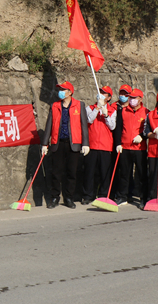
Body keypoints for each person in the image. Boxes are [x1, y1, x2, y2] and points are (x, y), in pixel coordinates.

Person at [40, 81, 90, 209]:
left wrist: (85, 143)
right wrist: (45, 143)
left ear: (70, 92)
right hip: (58, 142)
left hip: (73, 143)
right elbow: (49, 125)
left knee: (71, 172)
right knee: (56, 172)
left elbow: (84, 125)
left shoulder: (79, 105)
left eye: (63, 90)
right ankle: (55, 197)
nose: (60, 92)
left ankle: (69, 198)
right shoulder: (55, 106)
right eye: (60, 90)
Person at [114, 88, 149, 209]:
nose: (131, 100)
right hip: (125, 147)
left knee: (142, 174)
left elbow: (148, 129)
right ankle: (123, 196)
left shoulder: (146, 112)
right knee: (124, 173)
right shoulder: (122, 111)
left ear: (140, 99)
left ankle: (144, 198)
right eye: (130, 97)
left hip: (139, 148)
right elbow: (118, 128)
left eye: (134, 98)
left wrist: (142, 136)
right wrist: (118, 143)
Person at [82, 86, 117, 205]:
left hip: (105, 146)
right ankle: (88, 195)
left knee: (104, 173)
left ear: (109, 98)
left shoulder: (112, 110)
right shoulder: (90, 108)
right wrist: (97, 108)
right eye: (100, 92)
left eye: (104, 93)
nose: (101, 94)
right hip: (91, 145)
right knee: (89, 172)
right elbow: (89, 120)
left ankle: (103, 195)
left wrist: (106, 115)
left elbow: (112, 126)